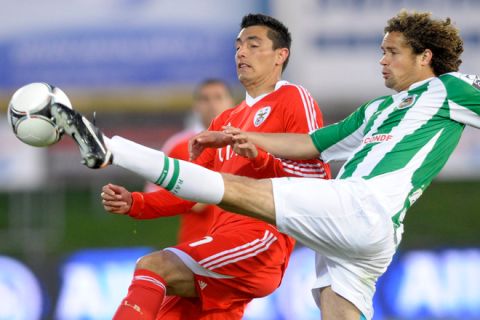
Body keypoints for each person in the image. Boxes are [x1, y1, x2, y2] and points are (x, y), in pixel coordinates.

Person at [51, 10, 474, 320]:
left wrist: (256, 151)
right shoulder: (376, 110)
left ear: (425, 57)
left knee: (226, 192)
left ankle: (110, 149)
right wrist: (242, 138)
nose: (382, 60)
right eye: (381, 50)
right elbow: (310, 143)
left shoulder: (451, 89)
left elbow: (304, 166)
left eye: (393, 52)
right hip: (358, 232)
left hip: (360, 207)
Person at [52, 14, 330, 319]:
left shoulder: (292, 98)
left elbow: (316, 179)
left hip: (261, 240)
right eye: (238, 46)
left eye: (253, 45)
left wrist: (260, 157)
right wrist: (136, 202)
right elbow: (191, 192)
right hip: (218, 244)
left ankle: (109, 147)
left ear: (281, 55)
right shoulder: (224, 122)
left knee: (152, 266)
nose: (241, 52)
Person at [134, 79, 235, 244]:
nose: (212, 104)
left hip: (241, 242)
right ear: (196, 106)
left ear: (231, 102)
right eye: (205, 99)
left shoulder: (244, 141)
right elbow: (153, 190)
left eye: (218, 97)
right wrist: (189, 196)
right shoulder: (178, 145)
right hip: (195, 243)